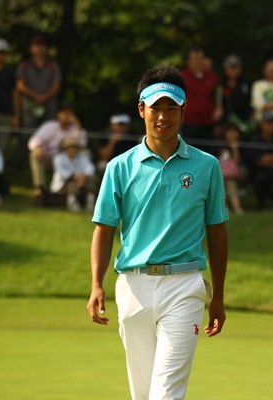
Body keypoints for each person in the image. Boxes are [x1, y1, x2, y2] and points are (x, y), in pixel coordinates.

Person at [86, 65, 228, 400]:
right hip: (133, 286)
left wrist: (218, 295)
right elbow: (104, 229)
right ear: (141, 110)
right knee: (143, 393)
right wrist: (95, 284)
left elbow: (217, 232)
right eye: (155, 108)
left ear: (183, 111)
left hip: (185, 285)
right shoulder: (119, 167)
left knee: (165, 394)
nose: (162, 116)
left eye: (171, 108)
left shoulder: (207, 166)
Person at [28, 102, 87, 197]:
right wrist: (38, 147)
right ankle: (40, 188)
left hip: (67, 160)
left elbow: (82, 144)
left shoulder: (75, 129)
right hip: (49, 158)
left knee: (85, 154)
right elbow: (34, 141)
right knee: (34, 154)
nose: (67, 116)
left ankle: (75, 189)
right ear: (58, 114)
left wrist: (77, 124)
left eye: (70, 113)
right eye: (65, 113)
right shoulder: (49, 126)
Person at [180, 46, 222, 152]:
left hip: (208, 124)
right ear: (188, 61)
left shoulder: (212, 77)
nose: (197, 62)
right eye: (194, 59)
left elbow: (218, 97)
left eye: (200, 59)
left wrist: (219, 108)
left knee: (208, 155)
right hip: (188, 124)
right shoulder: (182, 77)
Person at [16, 34, 62, 127]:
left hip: (49, 105)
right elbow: (20, 86)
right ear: (31, 48)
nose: (39, 48)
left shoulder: (53, 66)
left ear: (46, 49)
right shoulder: (25, 65)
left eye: (42, 46)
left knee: (50, 131)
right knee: (28, 132)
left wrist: (44, 97)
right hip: (30, 105)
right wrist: (36, 97)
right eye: (36, 46)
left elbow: (56, 85)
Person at [50, 135, 96, 212]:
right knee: (71, 184)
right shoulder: (58, 158)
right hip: (63, 184)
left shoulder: (82, 157)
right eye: (70, 147)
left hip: (82, 181)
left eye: (75, 147)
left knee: (90, 183)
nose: (73, 149)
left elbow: (90, 168)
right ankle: (72, 202)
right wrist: (76, 177)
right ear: (65, 148)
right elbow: (62, 173)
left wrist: (83, 177)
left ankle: (90, 203)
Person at [219, 54, 253, 136]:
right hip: (227, 121)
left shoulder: (247, 84)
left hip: (246, 119)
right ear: (226, 69)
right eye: (231, 68)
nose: (234, 71)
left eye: (236, 68)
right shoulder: (221, 85)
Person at [215, 123, 245, 215]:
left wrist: (235, 149)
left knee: (231, 185)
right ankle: (224, 207)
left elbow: (239, 162)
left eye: (234, 132)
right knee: (220, 186)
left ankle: (237, 207)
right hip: (220, 174)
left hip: (235, 174)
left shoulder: (242, 146)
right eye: (230, 132)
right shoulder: (218, 147)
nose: (233, 135)